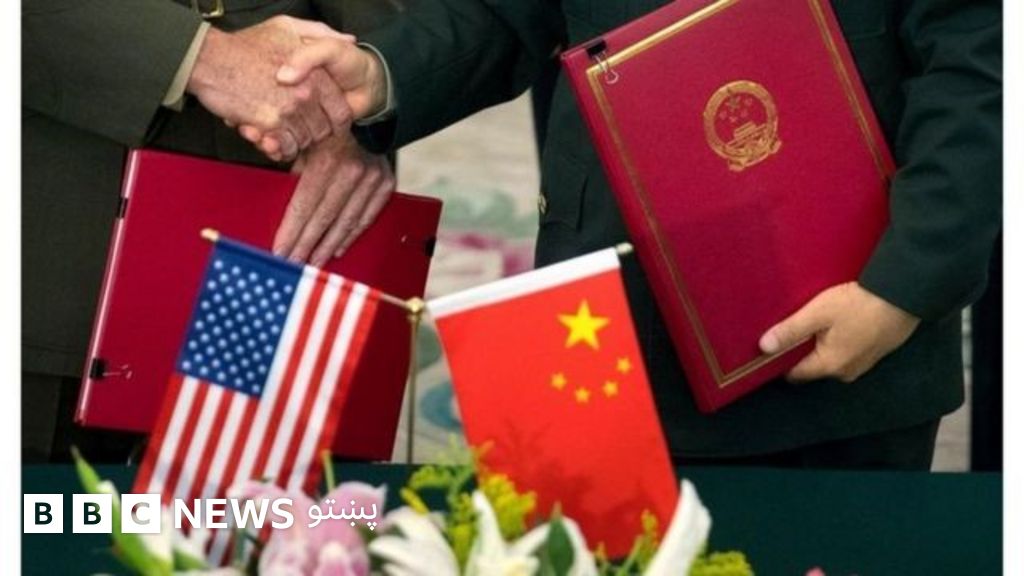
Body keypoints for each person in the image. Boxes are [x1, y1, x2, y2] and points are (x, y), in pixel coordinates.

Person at [255, 0, 1001, 469]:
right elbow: (507, 16)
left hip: (842, 337)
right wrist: (382, 72)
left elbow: (977, 66)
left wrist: (902, 288)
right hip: (606, 324)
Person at [21, 0, 398, 462]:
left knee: (290, 500)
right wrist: (198, 55)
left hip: (303, 224)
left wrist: (364, 102)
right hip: (50, 238)